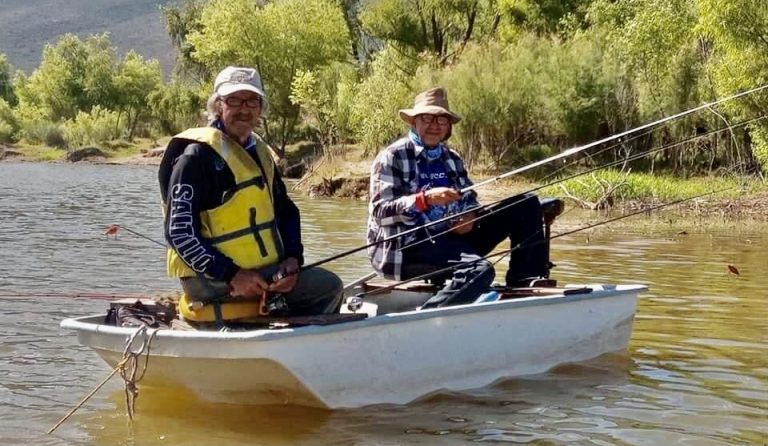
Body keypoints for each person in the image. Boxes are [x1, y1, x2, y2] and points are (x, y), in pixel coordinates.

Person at [159, 66, 343, 323]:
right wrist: (231, 274)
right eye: (233, 100)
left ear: (260, 108)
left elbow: (286, 211)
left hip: (263, 272)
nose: (243, 109)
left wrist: (292, 258)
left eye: (252, 101)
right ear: (218, 105)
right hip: (210, 279)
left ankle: (294, 344)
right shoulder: (194, 158)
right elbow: (179, 233)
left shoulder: (261, 153)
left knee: (323, 284)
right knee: (328, 286)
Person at [367, 87, 551, 308]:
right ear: (414, 121)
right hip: (408, 246)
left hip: (452, 239)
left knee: (526, 204)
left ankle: (526, 282)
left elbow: (469, 199)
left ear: (448, 127)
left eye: (442, 120)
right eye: (427, 118)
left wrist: (470, 217)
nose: (435, 125)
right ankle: (428, 317)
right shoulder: (392, 156)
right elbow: (380, 213)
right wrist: (424, 199)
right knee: (480, 271)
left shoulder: (451, 158)